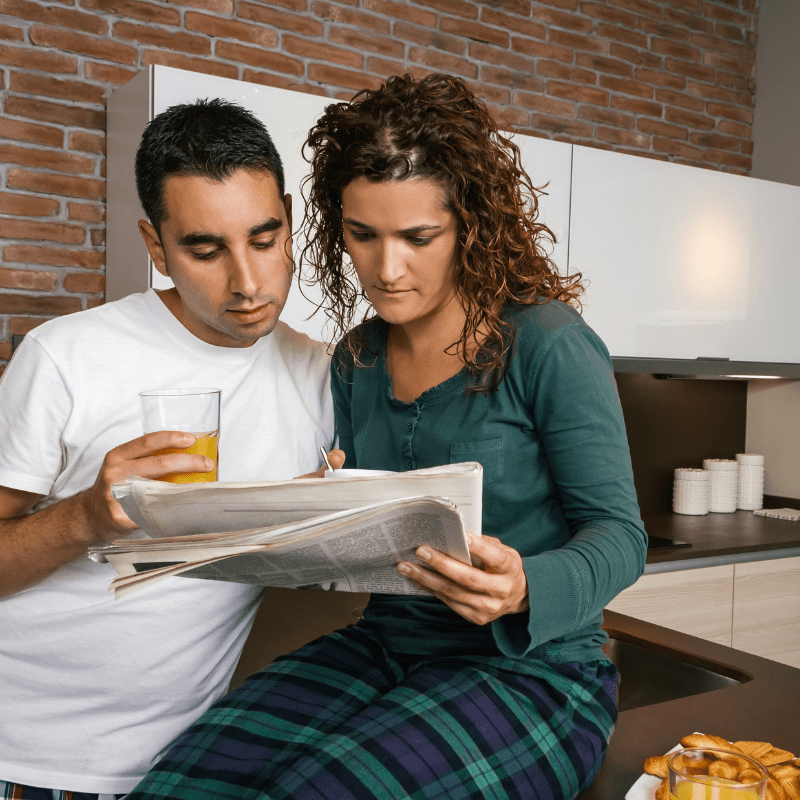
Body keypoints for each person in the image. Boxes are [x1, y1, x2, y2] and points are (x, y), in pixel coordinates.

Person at [125, 74, 647, 800]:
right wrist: (311, 514)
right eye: (361, 235)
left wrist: (526, 585)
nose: (386, 267)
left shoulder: (548, 344)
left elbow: (621, 536)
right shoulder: (356, 359)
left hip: (536, 671)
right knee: (180, 787)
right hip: (387, 648)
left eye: (418, 237)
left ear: (470, 222)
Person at [0, 98, 342, 799]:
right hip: (19, 752)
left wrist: (325, 518)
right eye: (205, 248)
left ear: (289, 220)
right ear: (156, 246)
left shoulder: (322, 376)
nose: (247, 283)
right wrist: (86, 519)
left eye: (264, 238)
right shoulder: (64, 357)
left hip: (180, 766)